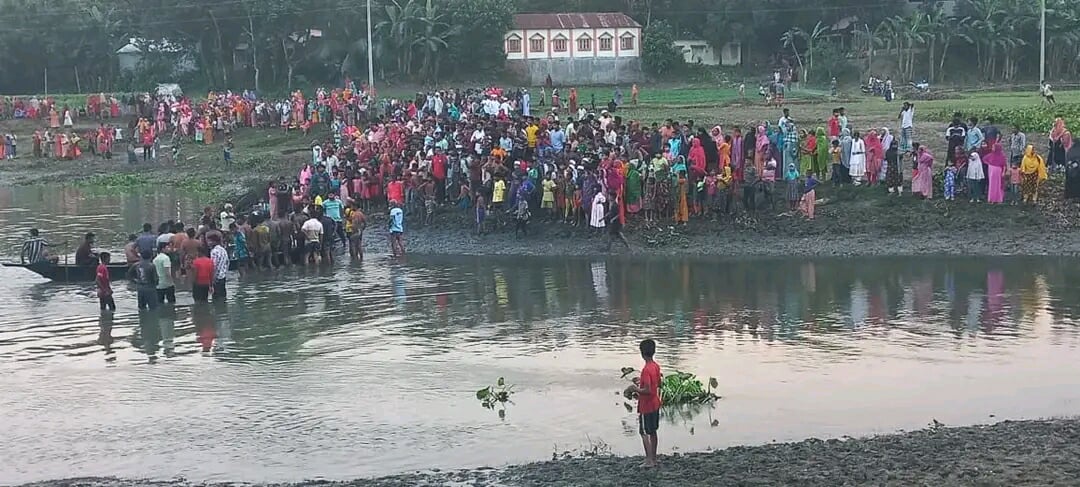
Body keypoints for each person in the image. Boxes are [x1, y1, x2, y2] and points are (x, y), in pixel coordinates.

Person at [623, 339, 661, 469]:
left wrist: (635, 389)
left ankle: (649, 460)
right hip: (655, 404)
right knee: (653, 431)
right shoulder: (655, 366)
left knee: (644, 432)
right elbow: (657, 384)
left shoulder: (646, 370)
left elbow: (648, 390)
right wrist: (642, 382)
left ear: (642, 353)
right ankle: (654, 459)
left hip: (646, 406)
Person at [209, 234, 230, 299]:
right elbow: (227, 262)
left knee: (216, 298)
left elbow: (213, 266)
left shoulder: (214, 251)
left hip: (217, 278)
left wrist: (212, 280)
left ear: (214, 241)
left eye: (210, 241)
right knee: (223, 297)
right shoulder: (223, 250)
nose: (208, 243)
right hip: (223, 276)